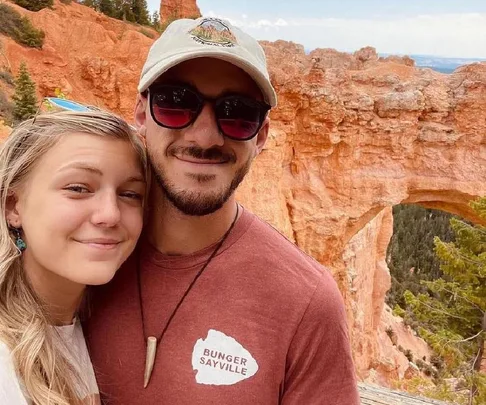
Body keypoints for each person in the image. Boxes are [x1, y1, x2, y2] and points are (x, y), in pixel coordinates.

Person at [85, 17, 360, 404]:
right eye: (177, 103)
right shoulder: (85, 253)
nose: (205, 136)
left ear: (261, 135)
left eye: (238, 112)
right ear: (143, 115)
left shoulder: (305, 299)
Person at [0, 111, 147, 405]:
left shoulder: (99, 325)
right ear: (13, 206)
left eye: (129, 194)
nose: (110, 214)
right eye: (78, 188)